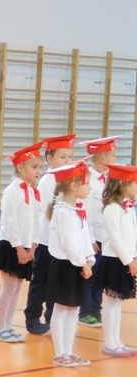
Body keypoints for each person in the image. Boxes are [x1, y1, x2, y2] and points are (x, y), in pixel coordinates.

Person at [0, 142, 43, 343]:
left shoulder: (33, 191)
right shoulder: (12, 190)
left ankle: (8, 325)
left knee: (17, 289)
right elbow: (9, 221)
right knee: (9, 288)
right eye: (34, 167)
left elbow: (37, 221)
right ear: (20, 167)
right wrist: (20, 247)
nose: (38, 171)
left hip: (28, 246)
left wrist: (33, 246)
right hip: (11, 245)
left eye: (39, 167)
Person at [45, 159, 95, 366]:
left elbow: (84, 237)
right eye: (87, 183)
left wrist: (90, 259)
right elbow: (67, 243)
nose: (90, 187)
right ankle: (60, 353)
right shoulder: (62, 211)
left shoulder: (78, 209)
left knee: (74, 309)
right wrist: (83, 262)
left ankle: (68, 351)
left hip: (79, 264)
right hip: (65, 265)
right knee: (61, 309)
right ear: (74, 185)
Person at [24, 134, 75, 335]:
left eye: (69, 157)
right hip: (47, 240)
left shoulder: (69, 179)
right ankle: (32, 318)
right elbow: (45, 211)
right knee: (41, 281)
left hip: (62, 240)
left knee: (57, 282)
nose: (67, 161)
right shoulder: (48, 180)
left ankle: (52, 318)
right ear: (50, 159)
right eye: (62, 157)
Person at [78, 136, 121, 327]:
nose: (115, 159)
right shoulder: (87, 180)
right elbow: (85, 211)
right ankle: (85, 311)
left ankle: (96, 310)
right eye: (113, 155)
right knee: (91, 275)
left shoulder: (111, 179)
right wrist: (90, 238)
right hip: (93, 237)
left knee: (101, 276)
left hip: (105, 236)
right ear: (103, 159)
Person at [96, 163, 137, 356]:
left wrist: (134, 256)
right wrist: (129, 261)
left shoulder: (128, 207)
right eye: (135, 183)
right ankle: (109, 342)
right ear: (123, 184)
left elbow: (132, 235)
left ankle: (117, 341)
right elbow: (115, 239)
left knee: (118, 302)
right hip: (115, 261)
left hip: (127, 259)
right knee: (112, 302)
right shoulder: (112, 209)